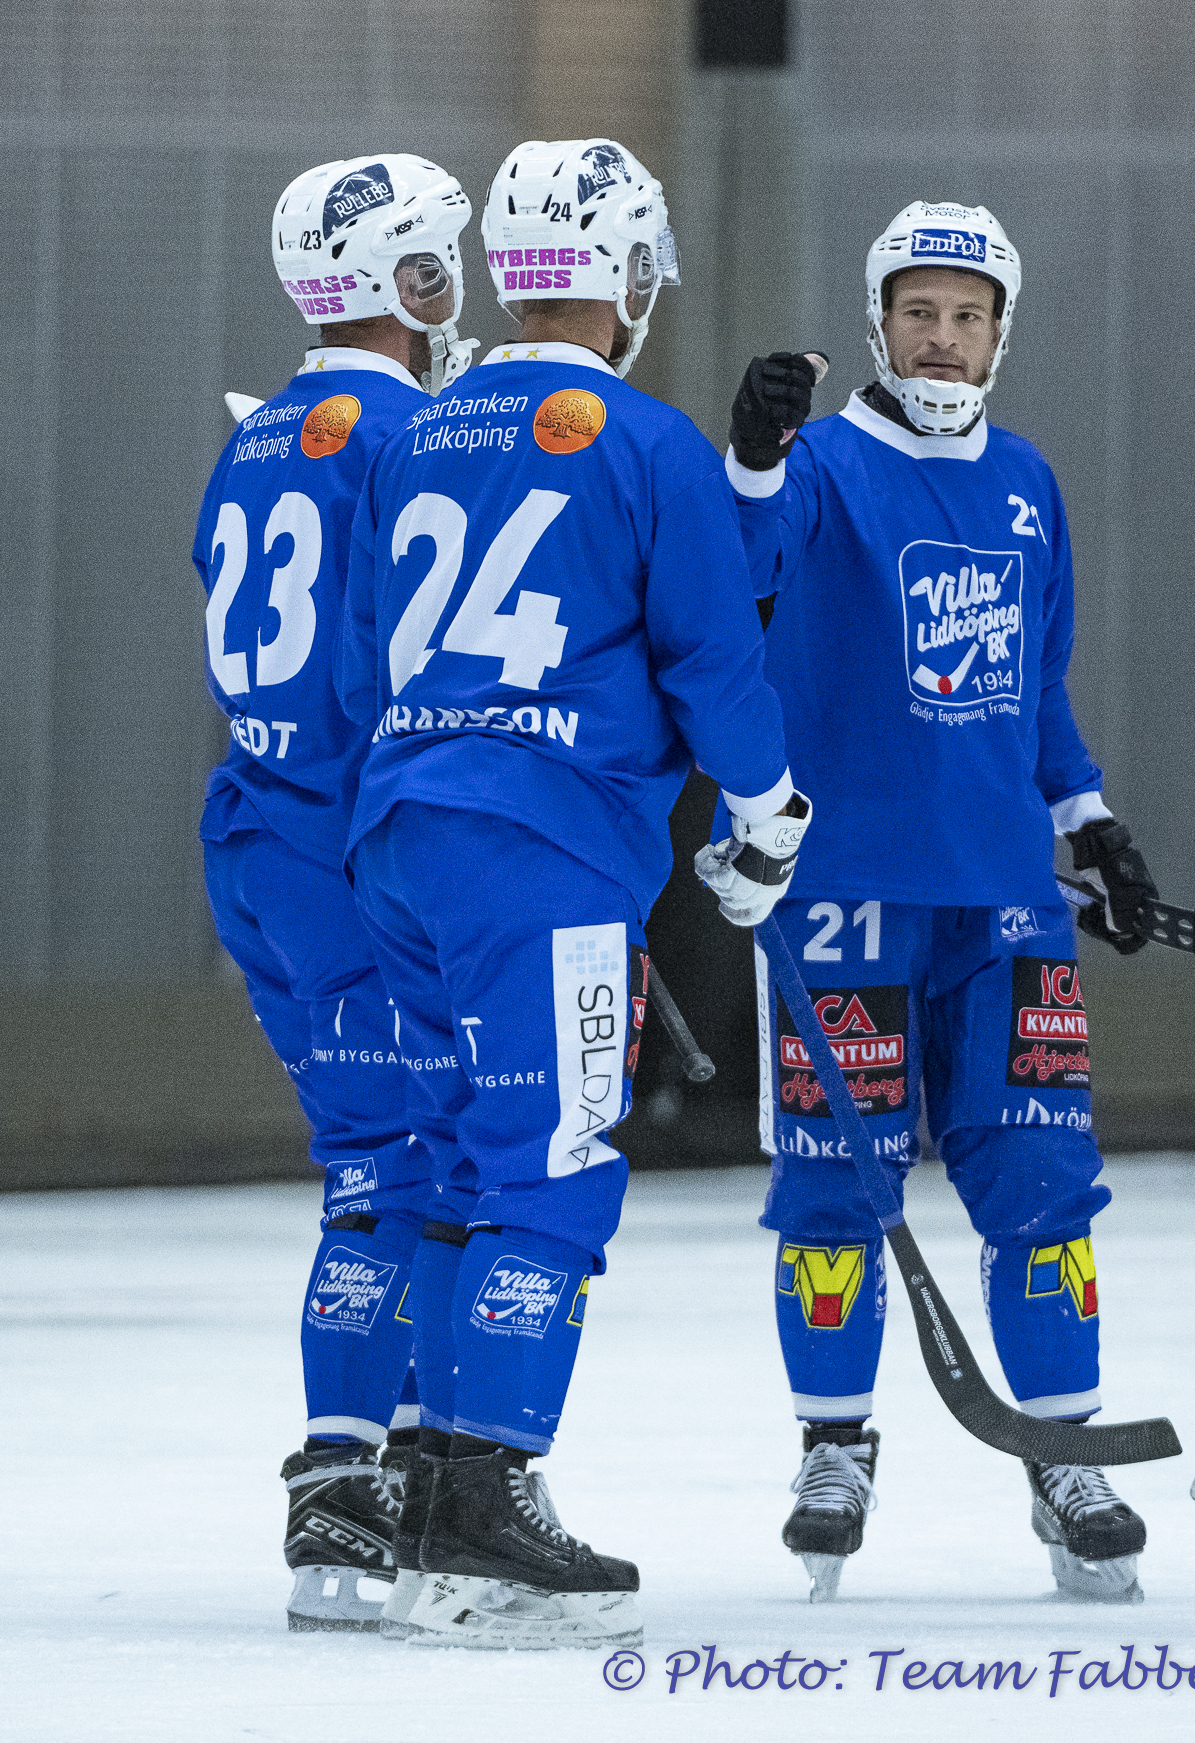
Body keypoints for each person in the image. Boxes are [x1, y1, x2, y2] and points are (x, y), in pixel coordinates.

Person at [337, 137, 808, 1650]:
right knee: (551, 1163)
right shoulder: (648, 442)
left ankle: (426, 1489)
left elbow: (362, 653)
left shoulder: (415, 431)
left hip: (401, 834)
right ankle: (489, 1499)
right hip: (540, 849)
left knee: (457, 1162)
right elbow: (714, 658)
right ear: (630, 274)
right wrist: (767, 809)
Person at [714, 200, 1159, 1604]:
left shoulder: (1028, 482)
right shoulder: (820, 466)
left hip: (1004, 899)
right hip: (841, 894)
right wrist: (750, 455)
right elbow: (738, 573)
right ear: (879, 322)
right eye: (919, 312)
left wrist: (1089, 820)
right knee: (832, 1190)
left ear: (1001, 333)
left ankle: (1064, 1456)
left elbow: (1039, 685)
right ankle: (833, 1450)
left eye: (969, 315)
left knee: (1042, 1183)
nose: (943, 338)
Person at [192, 153, 479, 1632]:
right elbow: (409, 664)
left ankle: (401, 1455)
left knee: (389, 1157)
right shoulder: (413, 434)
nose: (457, 292)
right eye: (438, 265)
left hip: (257, 840)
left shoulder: (251, 438)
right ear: (399, 282)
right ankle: (346, 1482)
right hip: (353, 852)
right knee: (400, 1167)